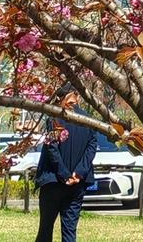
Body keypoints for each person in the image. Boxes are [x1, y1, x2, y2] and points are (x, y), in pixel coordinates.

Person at [34, 90, 98, 242]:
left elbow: (52, 148)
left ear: (60, 98)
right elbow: (91, 147)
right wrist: (79, 173)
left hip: (53, 182)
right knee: (70, 231)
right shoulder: (89, 120)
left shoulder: (55, 119)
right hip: (77, 183)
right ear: (77, 96)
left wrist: (64, 174)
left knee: (45, 229)